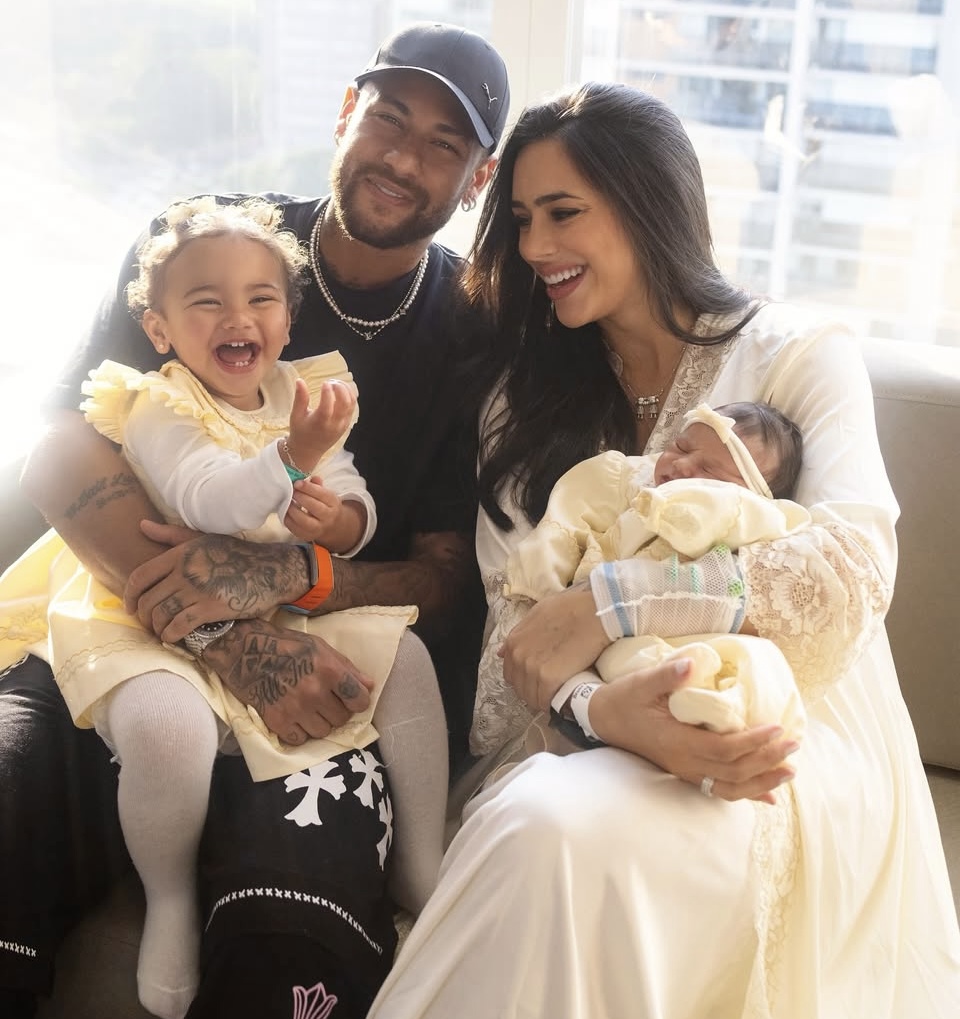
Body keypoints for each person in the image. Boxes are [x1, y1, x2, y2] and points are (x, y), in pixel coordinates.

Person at [367, 82, 960, 1018]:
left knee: (551, 829)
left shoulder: (799, 355)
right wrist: (605, 712)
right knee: (541, 819)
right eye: (521, 220)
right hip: (590, 733)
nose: (535, 247)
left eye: (564, 213)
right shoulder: (522, 404)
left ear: (649, 204)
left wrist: (609, 604)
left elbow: (849, 580)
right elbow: (512, 652)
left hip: (785, 736)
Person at [0, 21, 509, 1019]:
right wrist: (230, 637)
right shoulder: (203, 247)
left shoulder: (472, 331)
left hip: (330, 670)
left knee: (289, 942)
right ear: (345, 113)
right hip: (116, 619)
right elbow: (61, 448)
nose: (403, 157)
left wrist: (296, 579)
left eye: (444, 142)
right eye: (388, 117)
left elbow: (449, 576)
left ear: (478, 177)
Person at [472, 399, 809, 769]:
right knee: (629, 663)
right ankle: (676, 707)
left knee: (757, 661)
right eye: (681, 447)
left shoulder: (756, 518)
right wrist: (546, 591)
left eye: (710, 472)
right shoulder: (627, 481)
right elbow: (562, 527)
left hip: (694, 623)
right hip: (602, 626)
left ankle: (724, 709)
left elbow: (770, 563)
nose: (683, 466)